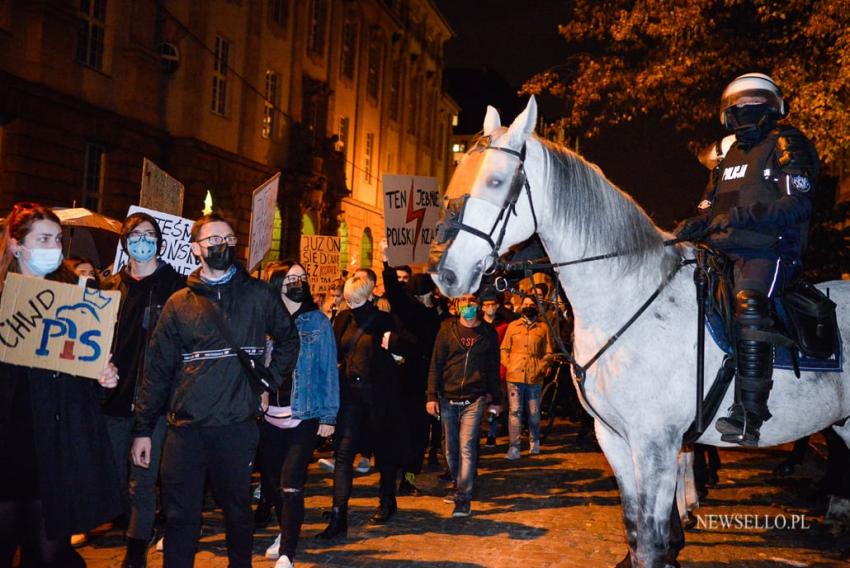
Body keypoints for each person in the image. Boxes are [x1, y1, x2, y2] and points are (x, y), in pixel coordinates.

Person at [131, 212, 299, 568]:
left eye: (226, 238)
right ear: (196, 248)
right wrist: (143, 428)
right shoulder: (179, 303)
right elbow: (157, 370)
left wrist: (269, 380)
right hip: (185, 430)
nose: (220, 245)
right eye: (212, 240)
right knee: (179, 517)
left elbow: (288, 340)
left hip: (236, 427)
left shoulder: (258, 295)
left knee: (238, 512)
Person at [676, 73, 820, 446]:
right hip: (722, 251)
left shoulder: (788, 142)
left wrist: (745, 216)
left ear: (772, 107)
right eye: (736, 106)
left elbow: (798, 203)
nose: (744, 111)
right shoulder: (726, 154)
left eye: (753, 104)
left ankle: (750, 414)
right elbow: (709, 207)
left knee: (749, 304)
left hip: (770, 251)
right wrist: (695, 223)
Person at [0, 202, 122, 567]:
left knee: (49, 552)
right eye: (43, 239)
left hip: (52, 450)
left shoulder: (75, 299)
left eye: (56, 239)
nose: (53, 247)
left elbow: (88, 377)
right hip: (6, 447)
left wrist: (103, 378)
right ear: (16, 244)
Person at [99, 212, 186, 567]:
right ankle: (136, 527)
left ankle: (136, 551)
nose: (142, 240)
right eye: (134, 235)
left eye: (149, 234)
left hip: (155, 403)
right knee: (114, 477)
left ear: (159, 242)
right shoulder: (109, 287)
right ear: (125, 243)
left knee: (143, 481)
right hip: (113, 399)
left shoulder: (177, 289)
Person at [316, 275, 413, 539]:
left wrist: (394, 346)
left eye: (356, 300)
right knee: (344, 453)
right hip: (350, 396)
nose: (352, 304)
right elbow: (334, 350)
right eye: (348, 299)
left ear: (370, 296)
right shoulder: (345, 319)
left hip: (379, 397)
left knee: (384, 453)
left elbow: (409, 347)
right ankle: (339, 515)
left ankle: (387, 500)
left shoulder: (385, 321)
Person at [261, 261, 339, 568]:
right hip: (269, 415)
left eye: (302, 278)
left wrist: (328, 416)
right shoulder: (265, 322)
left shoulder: (318, 322)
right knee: (272, 484)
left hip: (303, 414)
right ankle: (284, 530)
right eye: (291, 278)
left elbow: (328, 370)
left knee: (291, 482)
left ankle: (287, 552)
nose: (298, 283)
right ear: (277, 283)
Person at [427, 293, 502, 517]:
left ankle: (463, 497)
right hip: (447, 397)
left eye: (471, 302)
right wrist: (431, 395)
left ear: (478, 306)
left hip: (474, 397)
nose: (467, 306)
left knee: (467, 446)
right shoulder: (446, 330)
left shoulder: (487, 333)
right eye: (463, 302)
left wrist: (497, 400)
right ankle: (457, 482)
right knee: (451, 449)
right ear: (457, 305)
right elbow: (436, 364)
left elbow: (493, 367)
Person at [380, 243, 440, 496]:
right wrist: (387, 263)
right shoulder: (415, 312)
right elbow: (394, 291)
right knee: (410, 434)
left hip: (414, 383)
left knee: (413, 435)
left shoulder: (428, 314)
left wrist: (387, 262)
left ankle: (405, 476)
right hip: (408, 382)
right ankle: (402, 476)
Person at [501, 296, 554, 459]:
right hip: (514, 376)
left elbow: (549, 352)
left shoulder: (543, 328)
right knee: (515, 412)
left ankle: (534, 441)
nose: (528, 307)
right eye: (526, 304)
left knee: (533, 412)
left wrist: (540, 367)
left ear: (537, 307)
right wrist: (509, 364)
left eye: (532, 305)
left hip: (534, 377)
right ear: (521, 306)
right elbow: (504, 348)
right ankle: (514, 447)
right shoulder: (512, 326)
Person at [480, 289, 510, 447]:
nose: (490, 307)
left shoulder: (504, 325)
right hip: (480, 367)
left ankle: (492, 432)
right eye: (487, 304)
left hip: (499, 368)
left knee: (495, 401)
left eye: (493, 304)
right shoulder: (477, 325)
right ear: (482, 307)